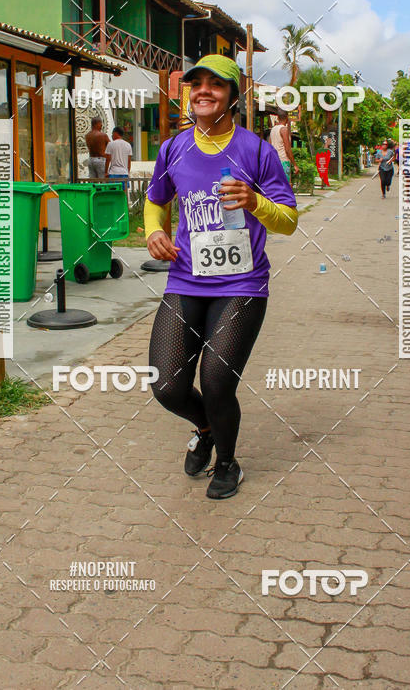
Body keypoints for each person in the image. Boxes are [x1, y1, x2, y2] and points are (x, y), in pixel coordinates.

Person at [144, 54, 298, 499]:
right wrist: (154, 231)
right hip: (186, 280)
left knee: (215, 381)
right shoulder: (174, 148)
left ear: (233, 96)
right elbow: (156, 201)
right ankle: (206, 429)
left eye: (216, 84)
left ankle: (228, 463)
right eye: (196, 84)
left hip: (242, 286)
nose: (203, 91)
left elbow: (287, 220)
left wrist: (253, 202)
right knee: (167, 385)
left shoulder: (255, 150)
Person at [268, 109, 299, 183]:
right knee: (285, 186)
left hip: (274, 162)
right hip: (283, 162)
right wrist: (295, 165)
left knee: (276, 186)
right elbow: (287, 149)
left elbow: (269, 146)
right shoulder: (284, 130)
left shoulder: (273, 130)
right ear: (287, 118)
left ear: (278, 118)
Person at [105, 126, 133, 191]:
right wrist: (127, 172)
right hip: (124, 173)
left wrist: (106, 172)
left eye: (112, 134)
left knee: (113, 193)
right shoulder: (128, 145)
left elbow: (107, 159)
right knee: (123, 193)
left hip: (113, 173)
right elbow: (129, 162)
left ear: (116, 133)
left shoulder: (110, 144)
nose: (112, 136)